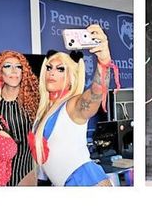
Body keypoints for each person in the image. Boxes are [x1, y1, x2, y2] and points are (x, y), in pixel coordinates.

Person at [30, 24, 116, 186]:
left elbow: (95, 96)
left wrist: (103, 61)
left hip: (86, 181)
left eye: (60, 69)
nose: (52, 72)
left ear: (72, 78)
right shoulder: (44, 110)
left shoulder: (72, 105)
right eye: (49, 68)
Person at [0, 50, 40, 186]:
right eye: (7, 66)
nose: (14, 71)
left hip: (27, 170)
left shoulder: (35, 102)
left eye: (18, 67)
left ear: (23, 71)